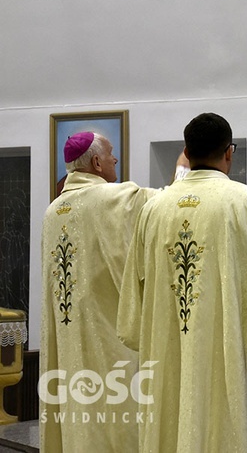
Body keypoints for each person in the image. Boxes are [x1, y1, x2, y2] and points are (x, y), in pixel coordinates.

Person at [117, 113, 247, 452]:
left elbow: (135, 288)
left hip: (168, 350)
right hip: (232, 351)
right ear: (229, 152)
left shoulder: (154, 209)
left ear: (185, 151)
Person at [40, 132, 179, 452]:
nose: (116, 159)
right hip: (113, 341)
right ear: (97, 162)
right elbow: (167, 208)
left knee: (79, 419)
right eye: (112, 153)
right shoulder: (116, 199)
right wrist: (183, 168)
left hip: (69, 345)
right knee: (118, 421)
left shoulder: (53, 211)